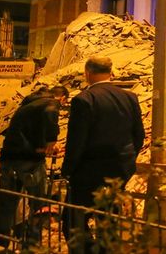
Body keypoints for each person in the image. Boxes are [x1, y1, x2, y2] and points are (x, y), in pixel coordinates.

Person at [61, 56, 145, 252]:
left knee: (73, 221)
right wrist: (128, 161)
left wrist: (68, 169)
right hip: (119, 172)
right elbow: (139, 135)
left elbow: (77, 141)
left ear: (87, 73)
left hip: (88, 172)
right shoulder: (129, 97)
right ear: (111, 72)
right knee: (109, 221)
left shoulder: (83, 100)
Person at [0, 85, 68, 248]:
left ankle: (1, 241)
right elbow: (50, 116)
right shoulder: (50, 103)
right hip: (30, 161)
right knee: (38, 201)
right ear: (62, 97)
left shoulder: (29, 104)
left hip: (9, 157)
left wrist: (44, 146)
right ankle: (33, 243)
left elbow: (29, 132)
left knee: (7, 200)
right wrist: (51, 142)